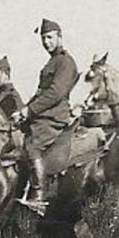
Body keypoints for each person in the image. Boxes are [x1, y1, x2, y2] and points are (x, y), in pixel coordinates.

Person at [13, 19, 79, 212]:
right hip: (43, 115)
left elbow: (56, 92)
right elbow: (40, 93)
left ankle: (38, 196)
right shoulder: (52, 62)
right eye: (43, 38)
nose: (46, 42)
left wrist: (30, 110)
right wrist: (23, 111)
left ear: (60, 36)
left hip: (53, 116)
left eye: (49, 37)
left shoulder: (65, 61)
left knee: (32, 145)